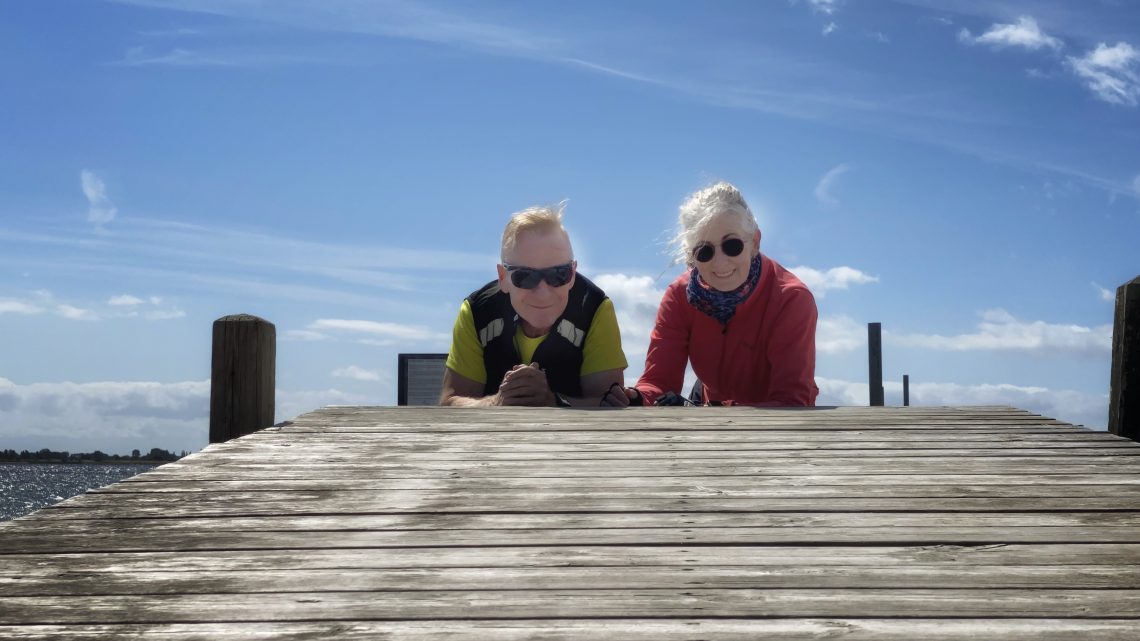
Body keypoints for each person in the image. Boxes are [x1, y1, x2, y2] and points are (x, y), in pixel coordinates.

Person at [605, 181, 818, 407]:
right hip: (712, 414)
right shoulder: (679, 296)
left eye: (732, 245)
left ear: (755, 242)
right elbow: (658, 381)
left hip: (774, 426)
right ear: (691, 256)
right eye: (704, 251)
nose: (719, 262)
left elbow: (791, 401)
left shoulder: (791, 299)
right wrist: (638, 398)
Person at [440, 203, 628, 407]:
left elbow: (610, 405)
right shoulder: (477, 311)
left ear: (572, 273)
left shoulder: (594, 309)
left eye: (559, 275)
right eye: (525, 277)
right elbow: (449, 402)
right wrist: (495, 403)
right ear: (503, 278)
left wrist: (553, 402)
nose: (543, 292)